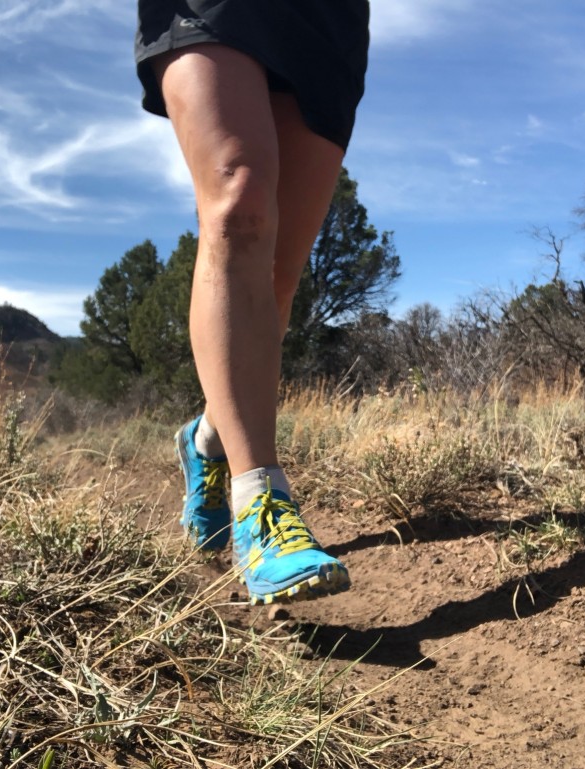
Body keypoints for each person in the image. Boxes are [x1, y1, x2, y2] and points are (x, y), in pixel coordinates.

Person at [134, 1, 371, 605]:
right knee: (239, 208)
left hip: (326, 17)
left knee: (278, 281)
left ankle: (209, 438)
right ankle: (260, 503)